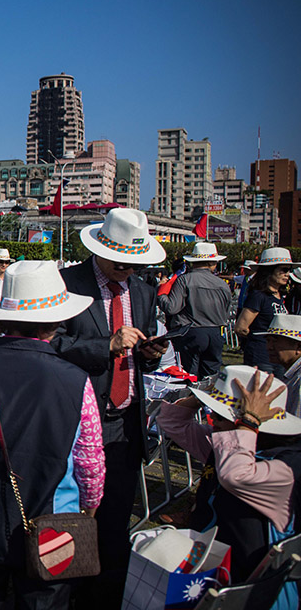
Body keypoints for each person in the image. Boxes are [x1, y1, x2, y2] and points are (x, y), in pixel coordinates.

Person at [0, 260, 105, 609]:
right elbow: (90, 465)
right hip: (52, 523)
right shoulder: (76, 381)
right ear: (56, 321)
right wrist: (86, 513)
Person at [51, 207, 166, 609]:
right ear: (99, 249)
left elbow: (140, 356)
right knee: (74, 515)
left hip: (126, 424)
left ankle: (106, 596)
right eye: (120, 260)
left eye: (134, 263)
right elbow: (52, 346)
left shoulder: (143, 291)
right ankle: (70, 591)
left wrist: (151, 353)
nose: (126, 268)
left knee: (116, 519)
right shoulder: (68, 284)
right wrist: (106, 347)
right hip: (78, 423)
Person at [157, 366, 301, 607]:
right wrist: (205, 394)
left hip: (252, 588)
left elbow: (235, 477)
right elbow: (172, 423)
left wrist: (249, 420)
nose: (212, 421)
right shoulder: (227, 446)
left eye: (221, 417)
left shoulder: (285, 467)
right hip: (210, 572)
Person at [158, 242, 233, 378]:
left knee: (189, 376)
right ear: (214, 263)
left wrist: (161, 294)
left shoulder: (185, 280)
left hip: (191, 332)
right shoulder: (222, 284)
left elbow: (171, 308)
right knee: (211, 377)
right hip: (216, 332)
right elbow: (227, 310)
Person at [236, 247, 296, 369]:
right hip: (261, 357)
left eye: (289, 270)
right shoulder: (258, 296)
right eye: (284, 270)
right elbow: (241, 327)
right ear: (270, 271)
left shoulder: (280, 296)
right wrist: (261, 339)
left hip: (278, 357)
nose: (287, 274)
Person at [256, 315, 301, 415]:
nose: (269, 347)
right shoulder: (292, 373)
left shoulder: (298, 378)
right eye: (268, 341)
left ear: (298, 347)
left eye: (275, 341)